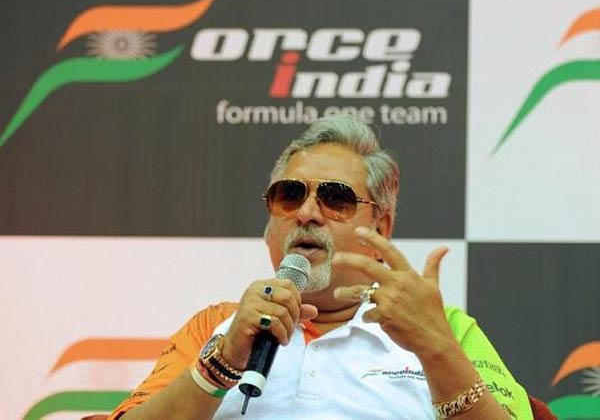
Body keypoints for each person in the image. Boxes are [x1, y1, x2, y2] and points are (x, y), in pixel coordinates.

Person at [108, 115, 546, 420]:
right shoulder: (216, 326)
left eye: (335, 198)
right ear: (270, 226)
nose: (307, 213)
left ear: (381, 227)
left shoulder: (443, 329)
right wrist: (220, 363)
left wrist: (436, 350)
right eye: (290, 195)